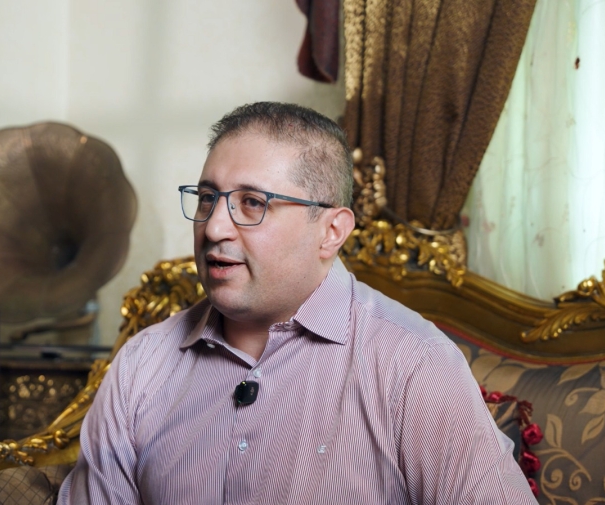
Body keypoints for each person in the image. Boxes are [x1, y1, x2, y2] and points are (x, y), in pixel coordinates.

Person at [58, 102, 537, 504]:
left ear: (331, 230)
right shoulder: (142, 365)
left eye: (252, 203)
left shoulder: (413, 366)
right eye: (207, 198)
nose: (214, 227)